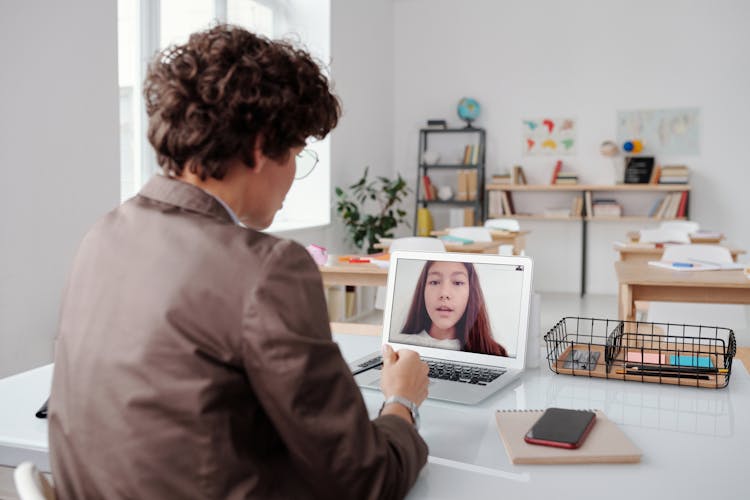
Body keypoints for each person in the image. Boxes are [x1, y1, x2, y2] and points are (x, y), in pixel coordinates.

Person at [48, 24, 429, 499]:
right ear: (259, 147)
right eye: (295, 153)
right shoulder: (265, 269)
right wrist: (401, 402)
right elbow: (364, 478)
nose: (293, 176)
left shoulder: (103, 235)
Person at [393, 260, 508, 356]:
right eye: (434, 282)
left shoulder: (493, 353)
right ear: (422, 290)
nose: (444, 293)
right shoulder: (399, 347)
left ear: (471, 292)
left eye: (457, 283)